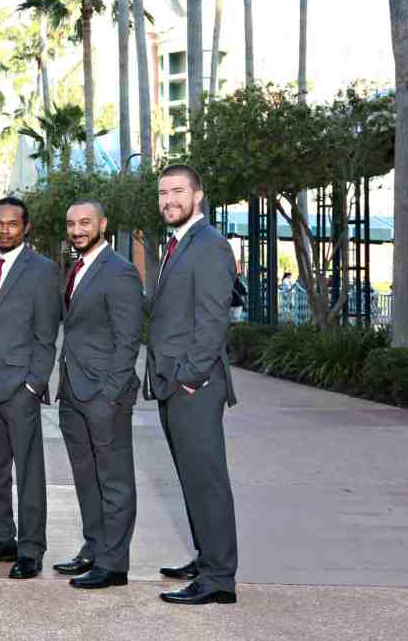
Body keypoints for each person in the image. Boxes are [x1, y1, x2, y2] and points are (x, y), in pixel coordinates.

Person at [144, 165, 239, 605]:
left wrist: (189, 377)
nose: (169, 200)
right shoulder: (179, 244)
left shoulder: (210, 245)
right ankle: (207, 557)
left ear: (198, 195)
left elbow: (213, 320)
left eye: (178, 191)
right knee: (191, 477)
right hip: (174, 382)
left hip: (194, 386)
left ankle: (219, 578)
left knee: (207, 481)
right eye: (163, 193)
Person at [0, 196, 61, 580]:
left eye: (12, 224)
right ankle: (1, 539)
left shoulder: (42, 270)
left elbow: (47, 335)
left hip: (21, 387)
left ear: (26, 227)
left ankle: (31, 549)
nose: (4, 230)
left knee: (29, 471)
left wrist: (34, 384)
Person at [53, 200, 143, 590]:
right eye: (71, 224)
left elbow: (128, 340)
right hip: (73, 391)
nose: (77, 230)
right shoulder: (77, 268)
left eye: (85, 223)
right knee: (86, 477)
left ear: (102, 224)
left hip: (105, 395)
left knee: (114, 480)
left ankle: (114, 563)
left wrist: (110, 393)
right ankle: (94, 547)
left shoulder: (119, 271)